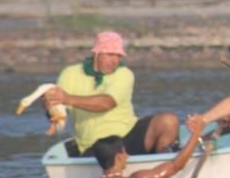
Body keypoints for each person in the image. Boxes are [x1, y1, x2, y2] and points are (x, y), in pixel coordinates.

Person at [43, 31, 179, 157]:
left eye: (118, 56)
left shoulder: (124, 74)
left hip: (127, 135)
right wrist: (49, 104)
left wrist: (68, 98)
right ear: (97, 53)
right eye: (110, 55)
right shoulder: (70, 74)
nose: (115, 61)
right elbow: (57, 112)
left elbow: (107, 103)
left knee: (169, 121)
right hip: (94, 145)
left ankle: (163, 160)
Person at [87, 114, 205, 178]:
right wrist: (196, 133)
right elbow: (176, 165)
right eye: (124, 152)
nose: (127, 156)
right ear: (118, 157)